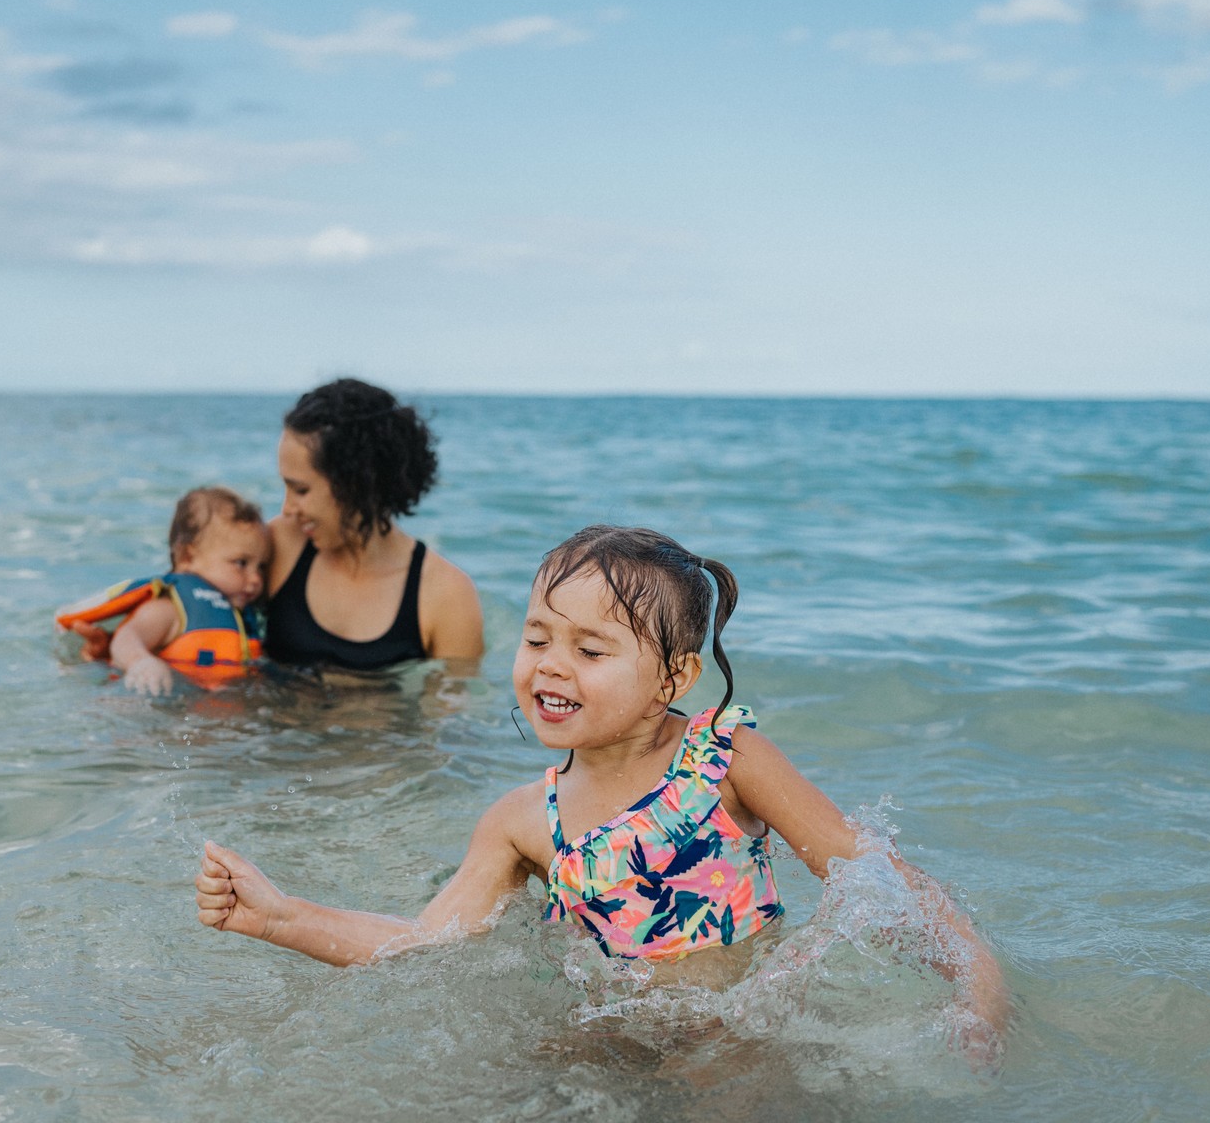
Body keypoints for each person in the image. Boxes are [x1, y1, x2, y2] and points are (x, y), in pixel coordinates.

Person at [197, 526, 1008, 1050]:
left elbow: (871, 877)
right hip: (605, 1039)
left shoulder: (725, 762)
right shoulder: (521, 822)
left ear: (674, 676)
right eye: (537, 636)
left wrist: (976, 989)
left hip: (737, 1038)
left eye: (592, 650)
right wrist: (284, 918)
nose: (550, 663)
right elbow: (428, 942)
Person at [266, 379, 483, 669]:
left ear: (357, 484)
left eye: (301, 490)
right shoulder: (279, 546)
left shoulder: (446, 596)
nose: (287, 509)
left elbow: (454, 713)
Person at [56, 487, 271, 695]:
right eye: (241, 563)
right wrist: (141, 662)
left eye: (261, 566)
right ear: (188, 557)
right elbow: (127, 637)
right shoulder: (171, 609)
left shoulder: (240, 618)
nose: (256, 579)